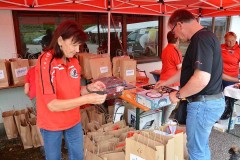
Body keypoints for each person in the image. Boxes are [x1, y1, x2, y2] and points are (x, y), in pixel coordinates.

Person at [35, 20, 107, 160]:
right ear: (60, 40)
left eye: (79, 45)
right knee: (54, 157)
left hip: (73, 120)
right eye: (74, 44)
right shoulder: (46, 61)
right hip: (52, 122)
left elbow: (74, 91)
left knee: (77, 156)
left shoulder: (74, 61)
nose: (77, 50)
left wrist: (88, 88)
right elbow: (52, 104)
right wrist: (87, 99)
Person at [163, 9, 225, 160]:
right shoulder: (206, 36)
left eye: (173, 31)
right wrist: (165, 82)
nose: (175, 36)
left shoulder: (200, 40)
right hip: (210, 102)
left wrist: (177, 95)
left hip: (203, 104)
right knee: (201, 146)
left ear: (179, 24)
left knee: (195, 149)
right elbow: (186, 70)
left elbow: (201, 79)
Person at [155, 31, 182, 124]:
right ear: (177, 39)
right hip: (172, 81)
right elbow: (180, 68)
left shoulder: (165, 49)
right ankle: (165, 121)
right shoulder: (175, 51)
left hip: (163, 79)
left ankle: (161, 121)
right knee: (173, 102)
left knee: (164, 102)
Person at [220, 32, 240, 120]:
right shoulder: (221, 47)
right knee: (219, 95)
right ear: (225, 40)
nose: (230, 43)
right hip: (219, 76)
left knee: (228, 97)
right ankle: (218, 112)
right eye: (228, 41)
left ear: (236, 39)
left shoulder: (239, 50)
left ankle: (226, 114)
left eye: (232, 40)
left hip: (231, 78)